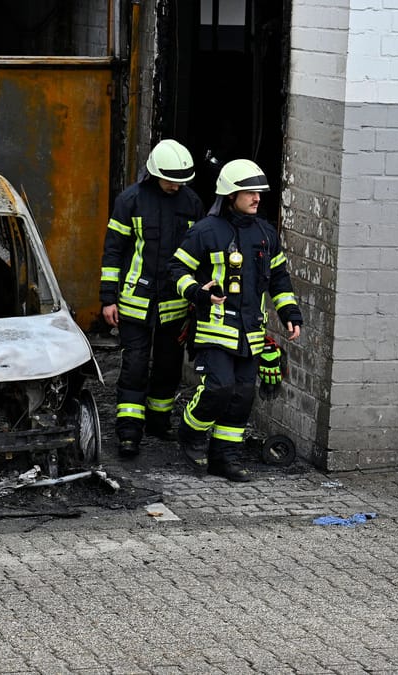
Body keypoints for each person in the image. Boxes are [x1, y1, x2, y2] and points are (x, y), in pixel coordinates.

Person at [169, 159, 302, 482]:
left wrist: (289, 313)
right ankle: (190, 430)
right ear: (231, 194)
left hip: (250, 331)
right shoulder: (205, 231)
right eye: (250, 192)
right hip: (215, 327)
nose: (257, 198)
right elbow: (176, 271)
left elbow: (280, 278)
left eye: (259, 192)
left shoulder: (265, 234)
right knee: (219, 388)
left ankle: (223, 459)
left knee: (243, 395)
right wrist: (198, 293)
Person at [100, 139, 205, 458]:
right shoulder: (130, 201)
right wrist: (107, 298)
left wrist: (195, 295)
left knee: (169, 367)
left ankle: (160, 421)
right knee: (134, 366)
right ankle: (129, 433)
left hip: (174, 304)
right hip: (135, 302)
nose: (177, 185)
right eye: (172, 179)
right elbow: (114, 249)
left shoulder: (192, 203)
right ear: (156, 173)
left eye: (182, 180)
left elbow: (198, 254)